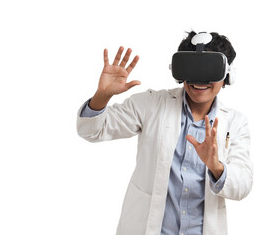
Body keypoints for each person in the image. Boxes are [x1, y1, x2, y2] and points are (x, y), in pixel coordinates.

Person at [77, 31, 253, 235]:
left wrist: (216, 167)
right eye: (192, 69)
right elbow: (92, 130)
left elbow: (243, 185)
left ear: (227, 76)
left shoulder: (236, 123)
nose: (200, 80)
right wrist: (102, 96)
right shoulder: (151, 104)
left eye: (209, 70)